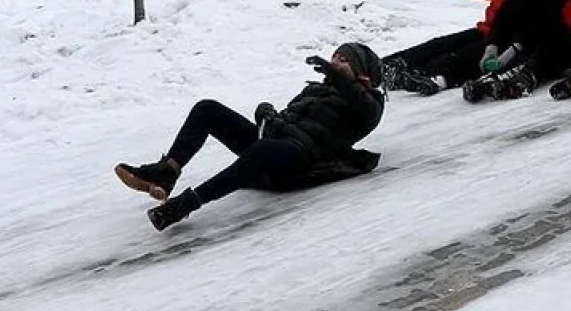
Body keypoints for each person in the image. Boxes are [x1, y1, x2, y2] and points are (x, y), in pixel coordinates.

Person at [114, 43, 385, 231]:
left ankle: (185, 205)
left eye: (344, 59)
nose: (335, 61)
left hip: (299, 162)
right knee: (207, 109)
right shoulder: (314, 91)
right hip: (275, 147)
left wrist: (339, 80)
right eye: (335, 56)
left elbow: (364, 109)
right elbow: (287, 121)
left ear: (363, 73)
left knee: (263, 149)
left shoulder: (370, 102)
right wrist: (267, 114)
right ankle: (167, 171)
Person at [383, 0, 518, 96]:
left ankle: (421, 75)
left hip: (505, 41)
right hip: (485, 32)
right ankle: (386, 66)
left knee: (462, 55)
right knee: (440, 44)